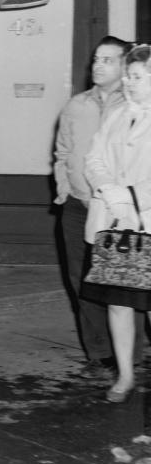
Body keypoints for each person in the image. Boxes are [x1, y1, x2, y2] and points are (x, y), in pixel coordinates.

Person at [54, 36, 143, 373]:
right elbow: (63, 152)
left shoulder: (134, 105)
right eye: (96, 59)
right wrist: (64, 192)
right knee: (83, 281)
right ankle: (99, 351)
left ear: (124, 66)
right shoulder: (76, 105)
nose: (97, 65)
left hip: (119, 213)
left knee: (125, 284)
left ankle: (131, 355)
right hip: (78, 206)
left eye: (107, 59)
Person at [81, 43, 151, 403]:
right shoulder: (116, 115)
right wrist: (110, 190)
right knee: (118, 302)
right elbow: (93, 158)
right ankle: (125, 376)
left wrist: (131, 199)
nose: (128, 82)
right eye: (128, 75)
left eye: (137, 77)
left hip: (145, 221)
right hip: (113, 224)